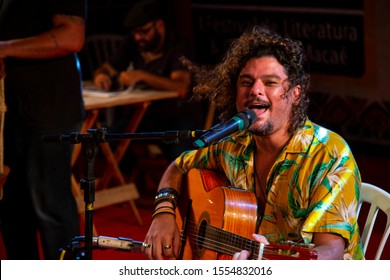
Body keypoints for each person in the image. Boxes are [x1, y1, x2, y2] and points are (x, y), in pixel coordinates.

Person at [142, 25, 365, 260]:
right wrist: (164, 212)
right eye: (246, 82)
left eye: (270, 82)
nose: (255, 90)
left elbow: (330, 253)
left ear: (295, 93)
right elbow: (178, 166)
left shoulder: (329, 154)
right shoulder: (233, 143)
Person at [0, 0, 86, 259]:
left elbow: (72, 36)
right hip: (14, 111)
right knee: (13, 212)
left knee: (51, 209)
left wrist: (4, 49)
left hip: (49, 111)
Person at [92, 0, 200, 161]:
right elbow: (106, 68)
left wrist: (142, 75)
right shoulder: (133, 42)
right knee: (99, 143)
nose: (138, 37)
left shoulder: (179, 44)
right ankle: (118, 183)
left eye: (144, 31)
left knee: (181, 158)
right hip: (140, 117)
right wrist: (101, 76)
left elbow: (180, 86)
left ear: (160, 26)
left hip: (175, 117)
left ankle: (175, 186)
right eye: (135, 32)